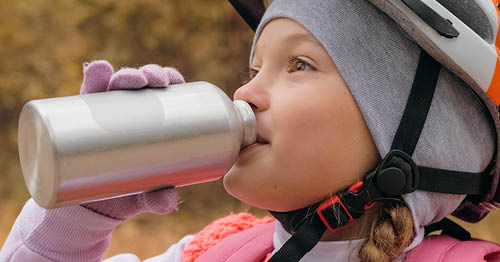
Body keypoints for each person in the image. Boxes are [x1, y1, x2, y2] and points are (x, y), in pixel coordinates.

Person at [1, 0, 500, 261]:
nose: (244, 94)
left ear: (411, 141)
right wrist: (78, 215)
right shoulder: (214, 252)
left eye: (299, 64)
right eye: (252, 71)